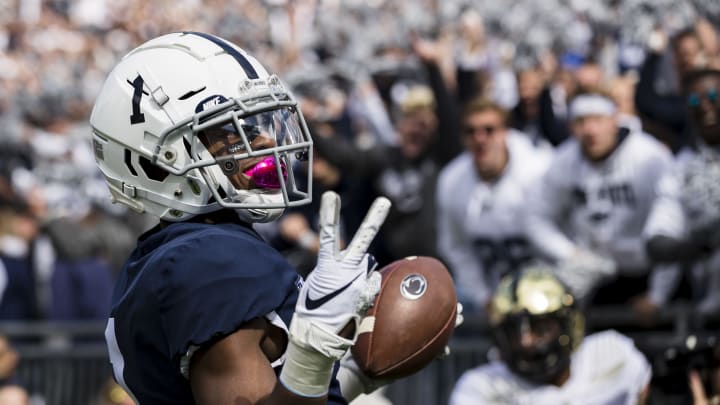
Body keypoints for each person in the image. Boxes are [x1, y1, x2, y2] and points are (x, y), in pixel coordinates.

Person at [91, 32, 398, 404]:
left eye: (260, 123)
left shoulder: (180, 254)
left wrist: (351, 378)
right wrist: (314, 356)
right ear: (160, 160)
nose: (267, 142)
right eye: (234, 131)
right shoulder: (212, 260)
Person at [525, 88, 673, 306]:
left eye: (597, 120)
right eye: (581, 121)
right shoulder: (563, 161)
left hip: (647, 274)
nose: (590, 129)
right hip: (594, 278)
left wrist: (658, 294)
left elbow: (672, 227)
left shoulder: (649, 157)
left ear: (614, 120)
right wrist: (569, 253)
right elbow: (535, 216)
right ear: (570, 126)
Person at [449, 264, 651, 405]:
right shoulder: (482, 388)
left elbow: (643, 393)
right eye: (513, 331)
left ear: (569, 325)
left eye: (541, 328)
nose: (526, 341)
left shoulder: (611, 355)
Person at [436, 98, 552, 313]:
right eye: (471, 131)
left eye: (489, 130)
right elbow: (455, 246)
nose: (480, 138)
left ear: (506, 132)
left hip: (547, 286)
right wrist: (484, 297)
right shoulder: (452, 181)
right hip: (494, 292)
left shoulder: (540, 172)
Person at [644, 68, 720, 316]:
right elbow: (659, 238)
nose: (705, 107)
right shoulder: (682, 167)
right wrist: (698, 245)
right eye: (695, 101)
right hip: (710, 307)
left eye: (713, 96)